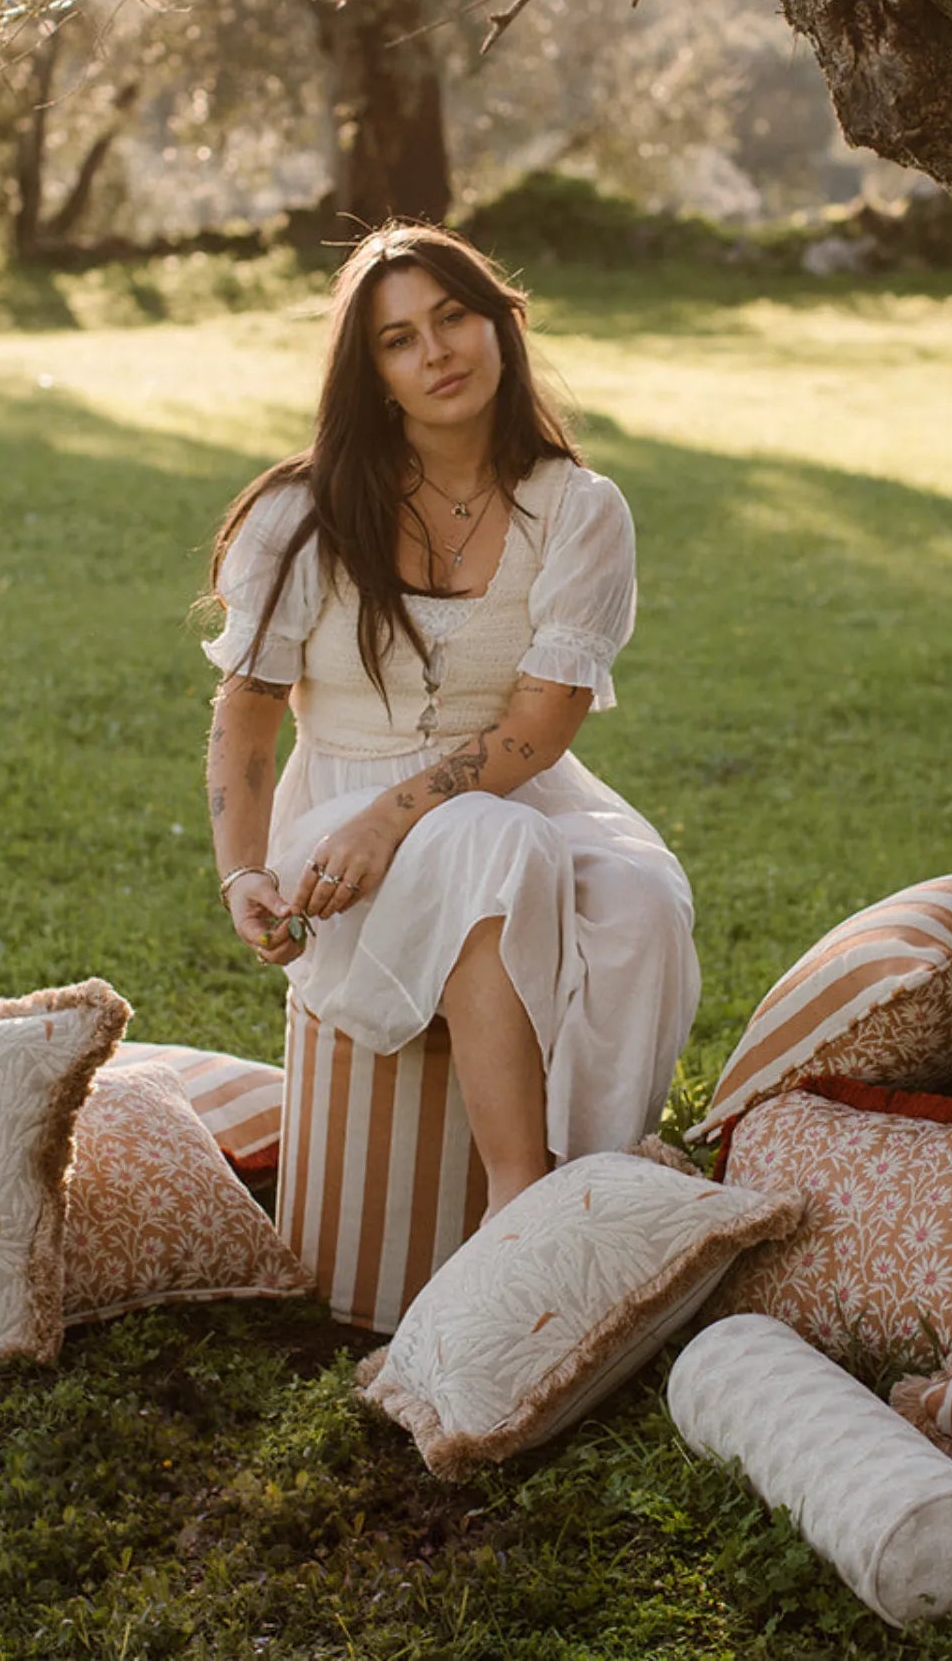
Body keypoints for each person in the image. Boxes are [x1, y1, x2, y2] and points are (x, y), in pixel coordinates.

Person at [202, 223, 699, 1215]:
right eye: (397, 339)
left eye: (452, 316)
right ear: (372, 371)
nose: (435, 352)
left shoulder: (579, 508)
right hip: (340, 807)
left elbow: (537, 723)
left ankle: (587, 1191)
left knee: (642, 898)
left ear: (497, 325)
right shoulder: (302, 512)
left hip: (513, 780)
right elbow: (247, 714)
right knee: (493, 844)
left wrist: (398, 813)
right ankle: (519, 1201)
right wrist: (242, 867)